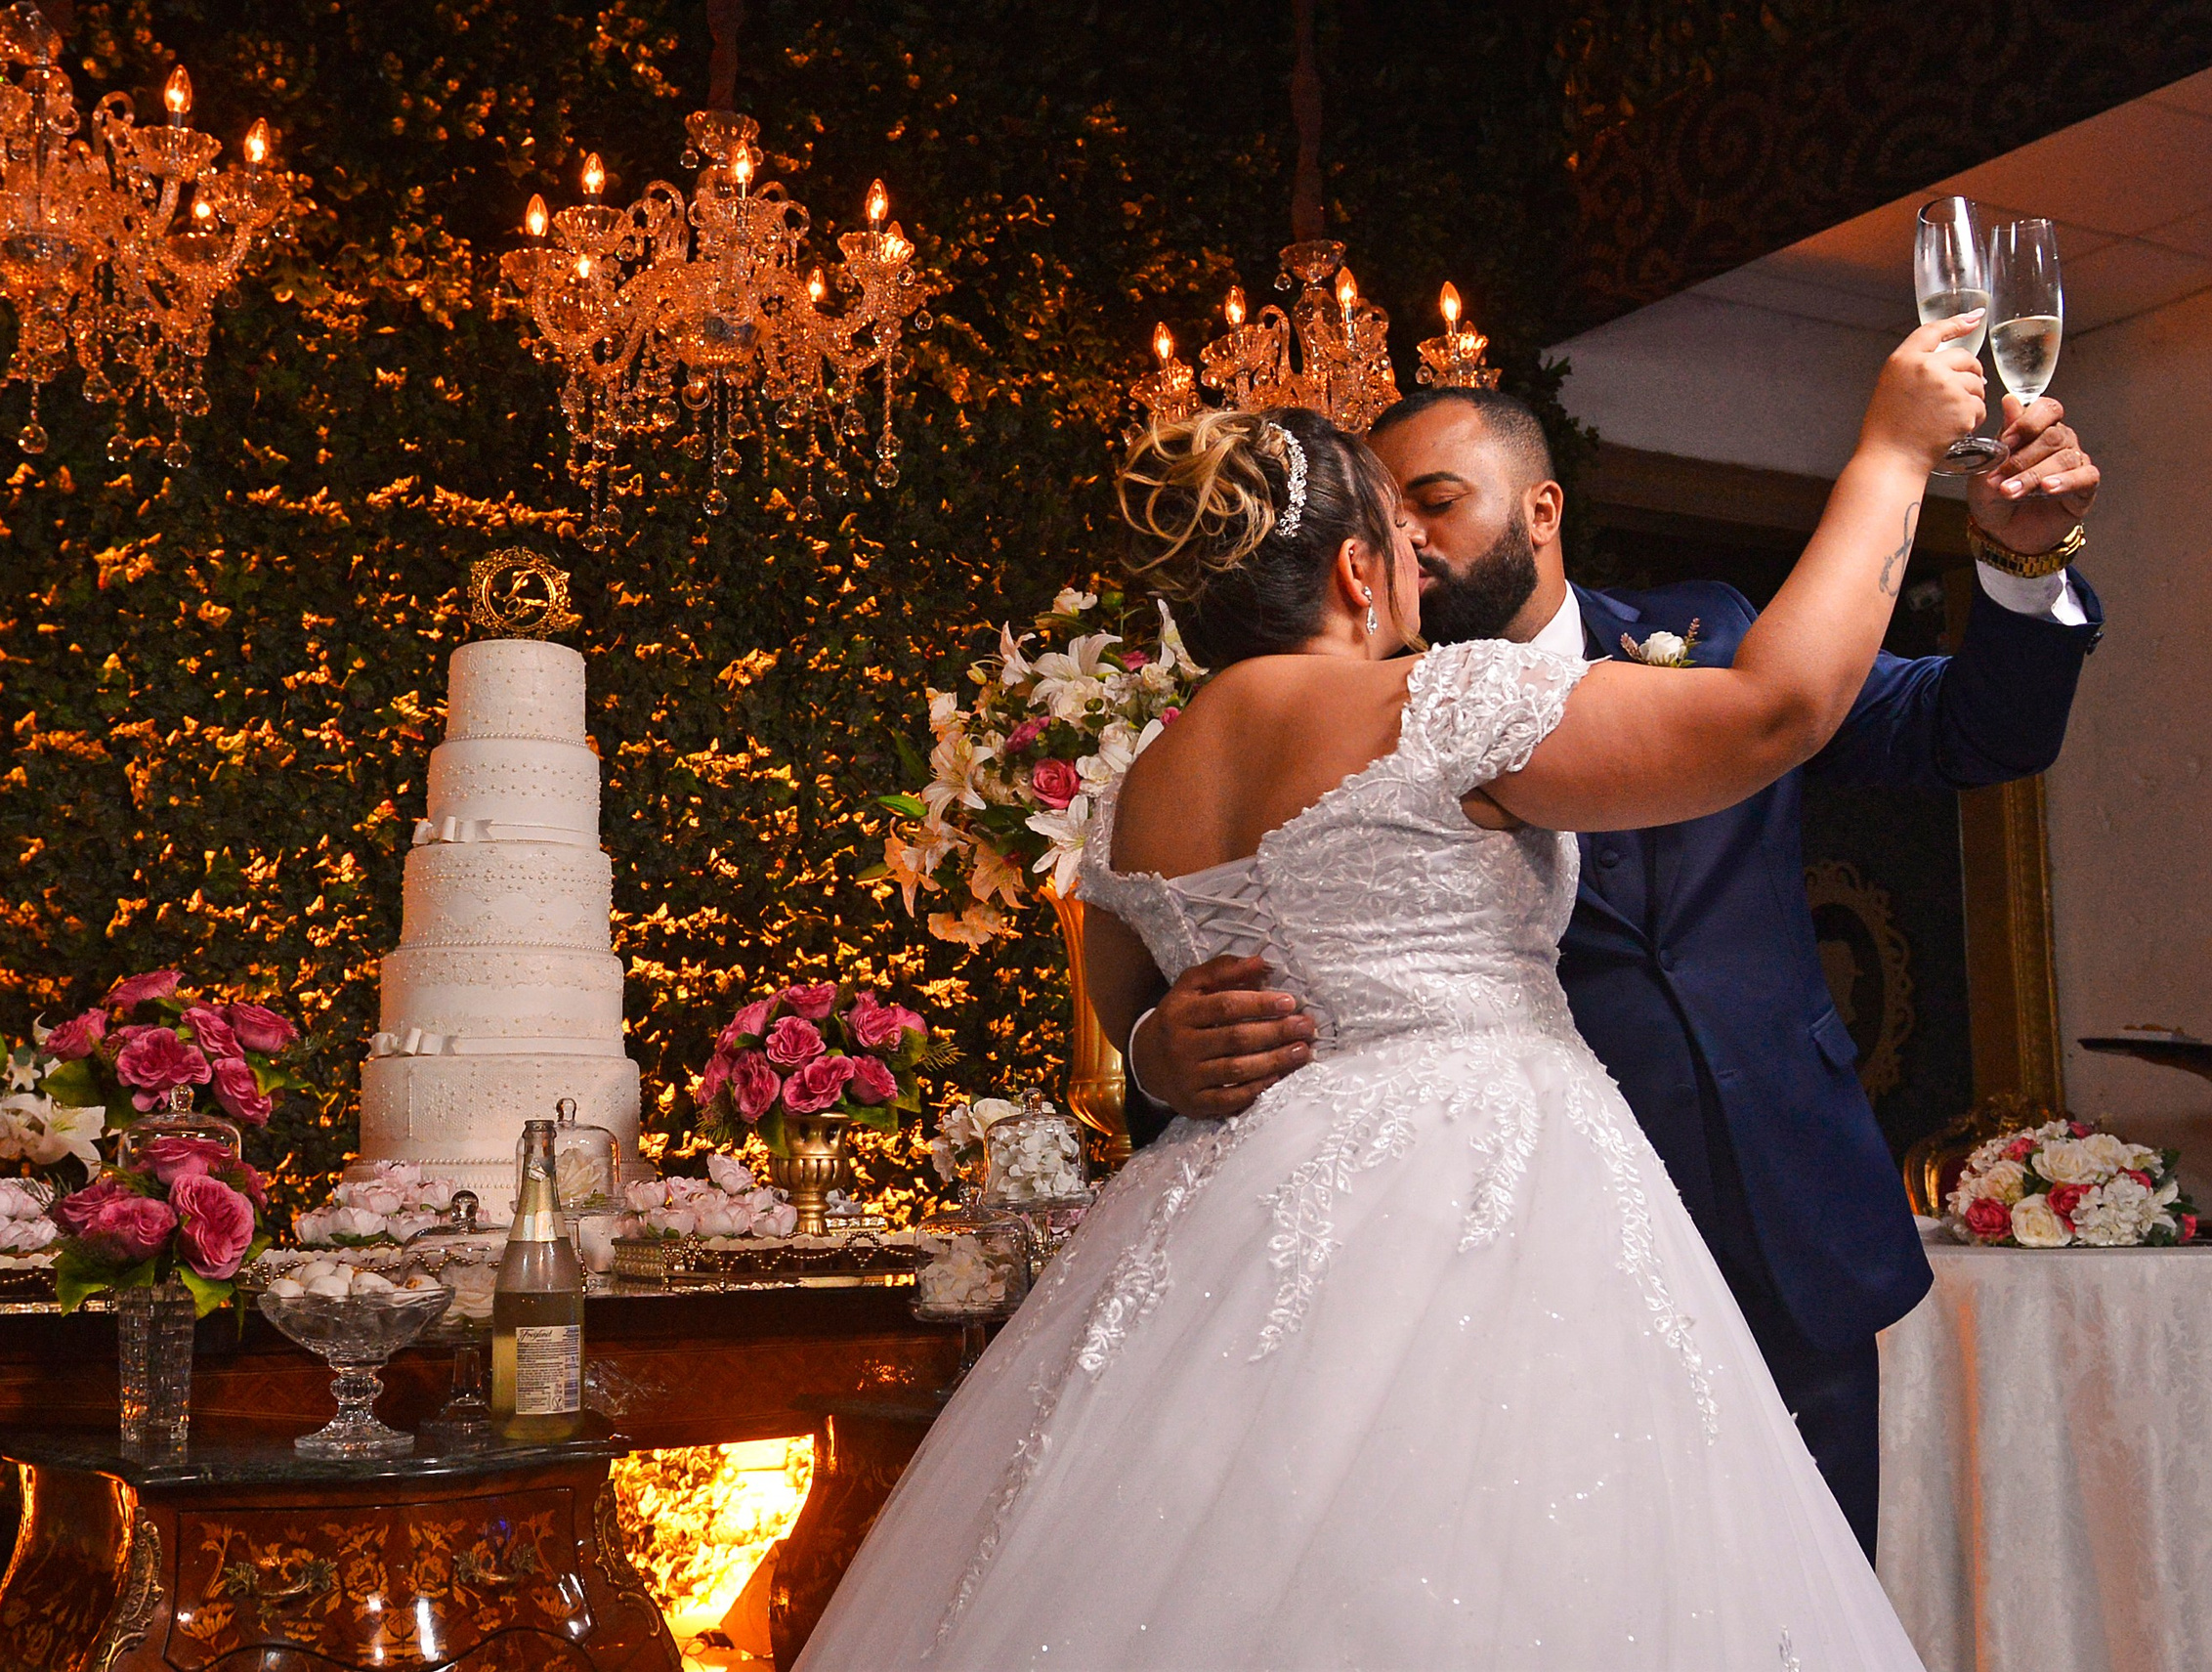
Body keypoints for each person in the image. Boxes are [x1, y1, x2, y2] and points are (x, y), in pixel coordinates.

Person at [800, 316, 1988, 1670]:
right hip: (1493, 1189)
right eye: (1402, 540)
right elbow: (1775, 710)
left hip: (1230, 1222)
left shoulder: (1140, 786)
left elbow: (1123, 1014)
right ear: (1359, 569)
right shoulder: (1435, 702)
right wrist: (1895, 453)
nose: (1423, 563)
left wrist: (1153, 1049)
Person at [1126, 378, 2102, 1557]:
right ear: (1351, 561)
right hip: (1490, 1253)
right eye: (1394, 517)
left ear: (1540, 508)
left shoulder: (1713, 629)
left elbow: (1973, 730)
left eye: (1435, 499)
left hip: (1779, 1223)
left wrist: (2018, 570)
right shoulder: (1406, 703)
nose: (1414, 541)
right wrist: (1152, 1049)